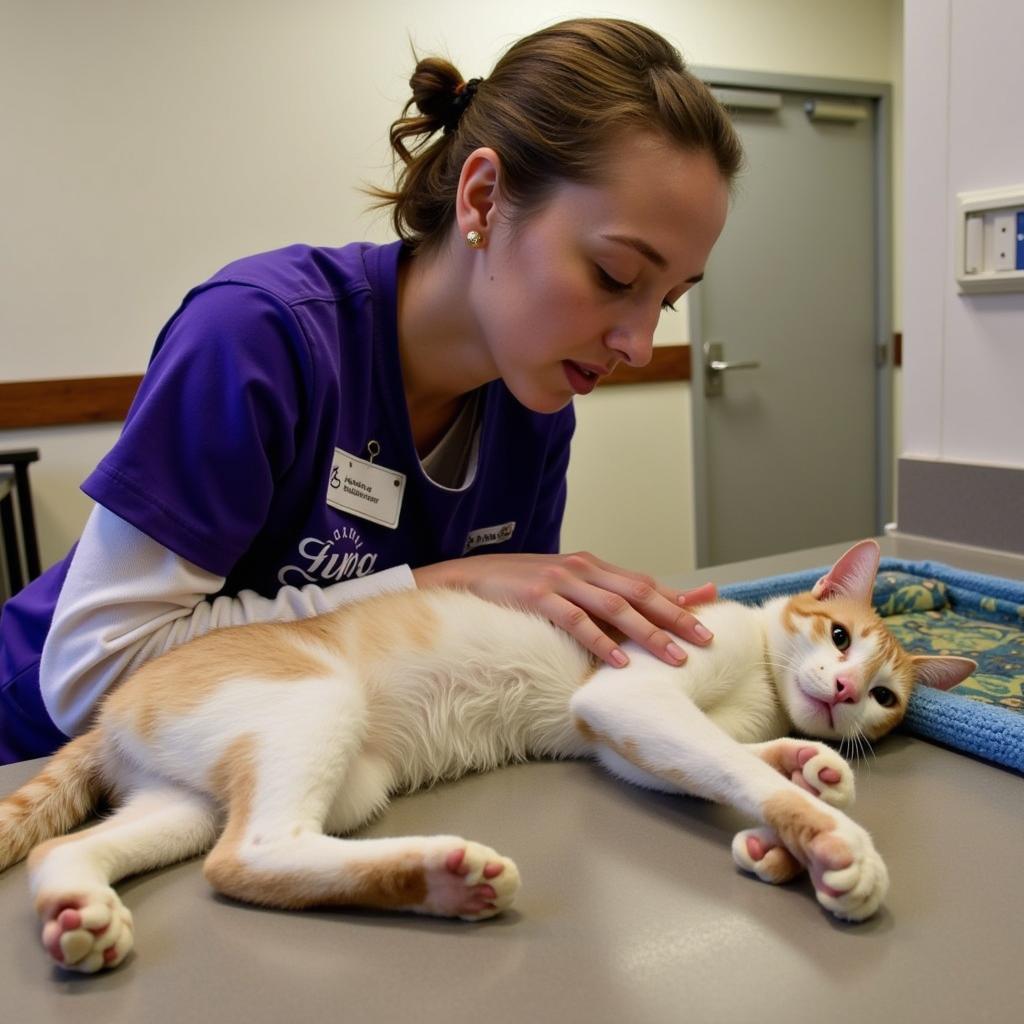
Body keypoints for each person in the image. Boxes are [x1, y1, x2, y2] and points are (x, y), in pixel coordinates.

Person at [0, 18, 742, 764]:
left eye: (669, 299)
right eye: (615, 276)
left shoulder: (533, 406)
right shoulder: (258, 337)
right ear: (483, 199)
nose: (639, 345)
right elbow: (89, 675)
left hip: (268, 765)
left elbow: (472, 662)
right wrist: (434, 586)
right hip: (49, 761)